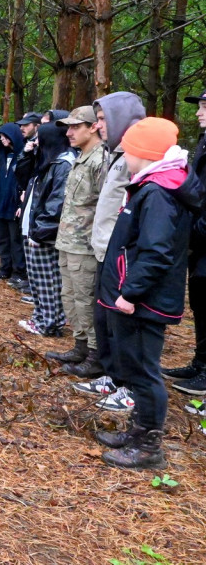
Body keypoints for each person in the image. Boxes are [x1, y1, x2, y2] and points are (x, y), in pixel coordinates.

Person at [95, 117, 202, 469]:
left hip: (142, 302)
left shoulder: (158, 192)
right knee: (135, 366)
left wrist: (130, 293)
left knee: (143, 370)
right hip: (135, 298)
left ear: (144, 153)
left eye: (129, 150)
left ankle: (149, 446)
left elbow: (156, 252)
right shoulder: (152, 185)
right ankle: (137, 432)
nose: (124, 156)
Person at [71, 93, 146, 410]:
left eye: (102, 119)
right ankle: (113, 376)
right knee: (105, 322)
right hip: (105, 251)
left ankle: (132, 386)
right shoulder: (115, 153)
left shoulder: (137, 155)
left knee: (125, 326)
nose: (98, 124)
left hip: (124, 256)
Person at [45, 106, 108, 376]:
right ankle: (80, 346)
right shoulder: (81, 157)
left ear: (93, 127)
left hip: (86, 246)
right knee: (70, 298)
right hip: (68, 242)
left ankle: (95, 355)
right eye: (67, 128)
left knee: (85, 300)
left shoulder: (101, 160)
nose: (68, 133)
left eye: (75, 127)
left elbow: (107, 207)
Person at [161, 90, 206, 397]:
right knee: (201, 303)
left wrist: (197, 231)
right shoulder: (204, 141)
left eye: (204, 107)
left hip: (203, 236)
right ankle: (200, 363)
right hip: (199, 239)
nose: (198, 113)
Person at [17, 121, 74, 337]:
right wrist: (27, 154)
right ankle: (40, 317)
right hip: (35, 229)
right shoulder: (47, 161)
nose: (35, 141)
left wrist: (41, 232)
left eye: (39, 137)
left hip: (45, 234)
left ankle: (50, 322)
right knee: (37, 279)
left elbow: (57, 203)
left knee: (48, 280)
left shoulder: (63, 165)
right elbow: (21, 175)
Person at [0, 122, 26, 285]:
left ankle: (19, 272)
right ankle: (5, 268)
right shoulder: (0, 157)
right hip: (0, 204)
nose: (1, 139)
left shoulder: (23, 156)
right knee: (2, 239)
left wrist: (21, 206)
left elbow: (25, 184)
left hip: (14, 206)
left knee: (16, 240)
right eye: (0, 137)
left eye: (4, 136)